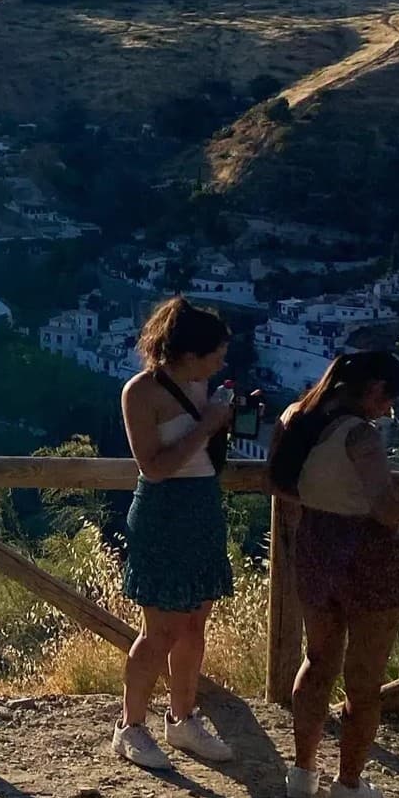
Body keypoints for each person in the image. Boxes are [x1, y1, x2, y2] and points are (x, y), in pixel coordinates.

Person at [270, 351, 399, 798]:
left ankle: (302, 773)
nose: (387, 410)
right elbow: (386, 509)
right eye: (389, 399)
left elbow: (279, 482)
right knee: (364, 678)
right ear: (375, 389)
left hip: (316, 543)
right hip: (368, 554)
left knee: (318, 659)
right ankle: (348, 785)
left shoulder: (295, 416)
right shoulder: (361, 436)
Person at [113, 296, 237, 770]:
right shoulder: (141, 392)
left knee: (193, 626)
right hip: (164, 511)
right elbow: (154, 467)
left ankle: (182, 718)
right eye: (214, 356)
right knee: (159, 631)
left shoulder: (202, 385)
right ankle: (130, 727)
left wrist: (224, 420)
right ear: (187, 353)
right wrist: (208, 424)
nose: (220, 364)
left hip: (202, 504)